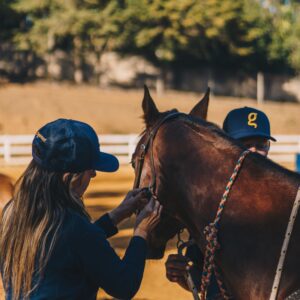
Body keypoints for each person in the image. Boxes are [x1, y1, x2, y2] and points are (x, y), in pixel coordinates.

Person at [0, 119, 162, 300]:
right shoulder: (74, 228)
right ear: (71, 178)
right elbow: (124, 286)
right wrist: (141, 232)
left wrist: (116, 215)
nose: (93, 174)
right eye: (90, 169)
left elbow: (67, 249)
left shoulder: (12, 213)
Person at [165, 107, 276, 299]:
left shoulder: (286, 199)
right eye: (245, 144)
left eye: (261, 144)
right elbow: (204, 278)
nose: (255, 151)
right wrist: (183, 275)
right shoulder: (209, 204)